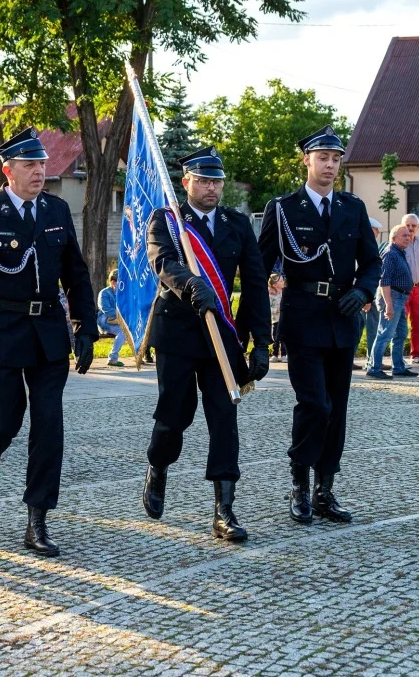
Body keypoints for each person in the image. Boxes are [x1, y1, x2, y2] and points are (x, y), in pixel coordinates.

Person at [0, 127, 97, 557]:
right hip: (0, 331)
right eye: (30, 165)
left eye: (43, 164)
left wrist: (86, 326)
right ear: (7, 170)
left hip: (48, 331)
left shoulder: (56, 210)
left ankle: (37, 519)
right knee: (2, 424)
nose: (40, 172)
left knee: (49, 426)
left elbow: (77, 273)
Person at [141, 146, 270, 543]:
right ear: (186, 182)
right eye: (203, 180)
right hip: (178, 332)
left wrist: (261, 342)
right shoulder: (167, 221)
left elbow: (253, 284)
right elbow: (163, 262)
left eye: (217, 180)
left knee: (224, 418)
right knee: (174, 417)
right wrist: (189, 283)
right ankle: (158, 467)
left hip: (222, 338)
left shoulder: (237, 223)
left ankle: (224, 510)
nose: (212, 187)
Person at [258, 125, 381, 525]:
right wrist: (257, 325)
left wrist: (363, 292)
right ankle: (298, 484)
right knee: (315, 404)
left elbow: (372, 261)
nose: (330, 164)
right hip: (303, 316)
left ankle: (324, 489)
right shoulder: (283, 209)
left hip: (343, 320)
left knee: (337, 408)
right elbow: (259, 267)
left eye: (336, 158)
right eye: (323, 157)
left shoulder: (352, 207)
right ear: (306, 160)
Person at [367, 225, 418, 380]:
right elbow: (385, 281)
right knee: (385, 334)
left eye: (408, 235)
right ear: (394, 238)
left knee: (401, 333)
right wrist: (388, 305)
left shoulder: (400, 253)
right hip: (392, 298)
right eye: (404, 235)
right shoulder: (390, 254)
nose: (408, 238)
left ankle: (398, 367)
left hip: (401, 298)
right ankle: (374, 368)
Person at [401, 214, 419, 367]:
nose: (411, 228)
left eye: (414, 226)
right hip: (402, 289)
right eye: (408, 225)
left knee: (418, 323)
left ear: (418, 227)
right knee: (401, 324)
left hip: (418, 288)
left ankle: (417, 355)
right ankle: (398, 357)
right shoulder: (398, 242)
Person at [358, 217, 384, 370]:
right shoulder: (359, 246)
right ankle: (368, 361)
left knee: (372, 327)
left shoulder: (372, 246)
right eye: (375, 232)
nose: (377, 235)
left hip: (371, 293)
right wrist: (366, 296)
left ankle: (372, 359)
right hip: (362, 295)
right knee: (361, 327)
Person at [96, 270, 126, 367]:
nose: (122, 284)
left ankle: (141, 356)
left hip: (118, 321)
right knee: (123, 331)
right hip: (104, 322)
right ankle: (112, 358)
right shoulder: (104, 293)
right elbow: (108, 311)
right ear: (113, 282)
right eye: (120, 282)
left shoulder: (123, 293)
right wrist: (120, 318)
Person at [270, 273, 286, 363]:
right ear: (275, 285)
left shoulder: (284, 293)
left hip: (283, 319)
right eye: (281, 281)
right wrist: (276, 310)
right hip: (275, 320)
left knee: (283, 337)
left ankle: (284, 355)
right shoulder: (271, 295)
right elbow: (268, 307)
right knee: (275, 337)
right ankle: (275, 354)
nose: (283, 282)